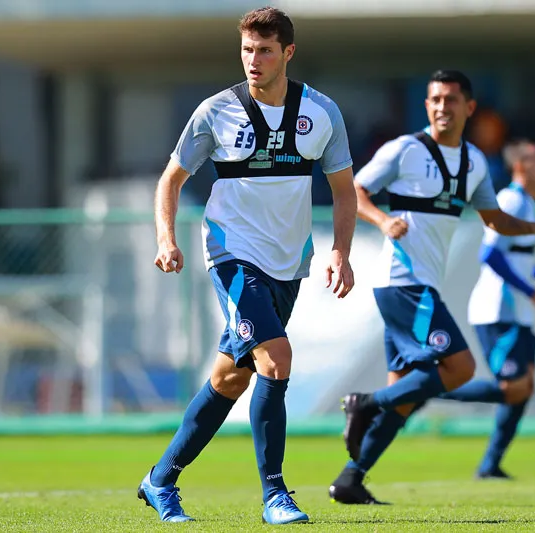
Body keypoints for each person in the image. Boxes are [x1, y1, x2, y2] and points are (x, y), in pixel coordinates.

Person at [140, 7, 357, 524]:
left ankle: (160, 479)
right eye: (246, 49)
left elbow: (344, 191)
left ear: (288, 53)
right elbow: (170, 181)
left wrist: (341, 252)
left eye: (263, 50)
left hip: (288, 263)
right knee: (276, 358)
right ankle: (275, 495)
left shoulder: (321, 113)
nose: (253, 60)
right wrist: (166, 238)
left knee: (230, 379)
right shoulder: (216, 111)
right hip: (232, 253)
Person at [328, 70, 535, 504]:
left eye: (451, 100)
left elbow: (494, 220)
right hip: (402, 282)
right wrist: (381, 220)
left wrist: (534, 227)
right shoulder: (405, 150)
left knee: (405, 397)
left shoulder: (474, 163)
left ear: (469, 108)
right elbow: (352, 189)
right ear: (426, 105)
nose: (441, 107)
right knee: (462, 367)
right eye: (434, 99)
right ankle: (366, 402)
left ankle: (350, 479)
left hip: (418, 285)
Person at [443, 139, 535, 479]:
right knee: (513, 386)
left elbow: (516, 260)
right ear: (521, 167)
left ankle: (490, 465)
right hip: (497, 310)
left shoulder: (527, 204)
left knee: (524, 388)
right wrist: (531, 290)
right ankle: (429, 390)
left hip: (518, 313)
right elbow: (489, 254)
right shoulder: (511, 199)